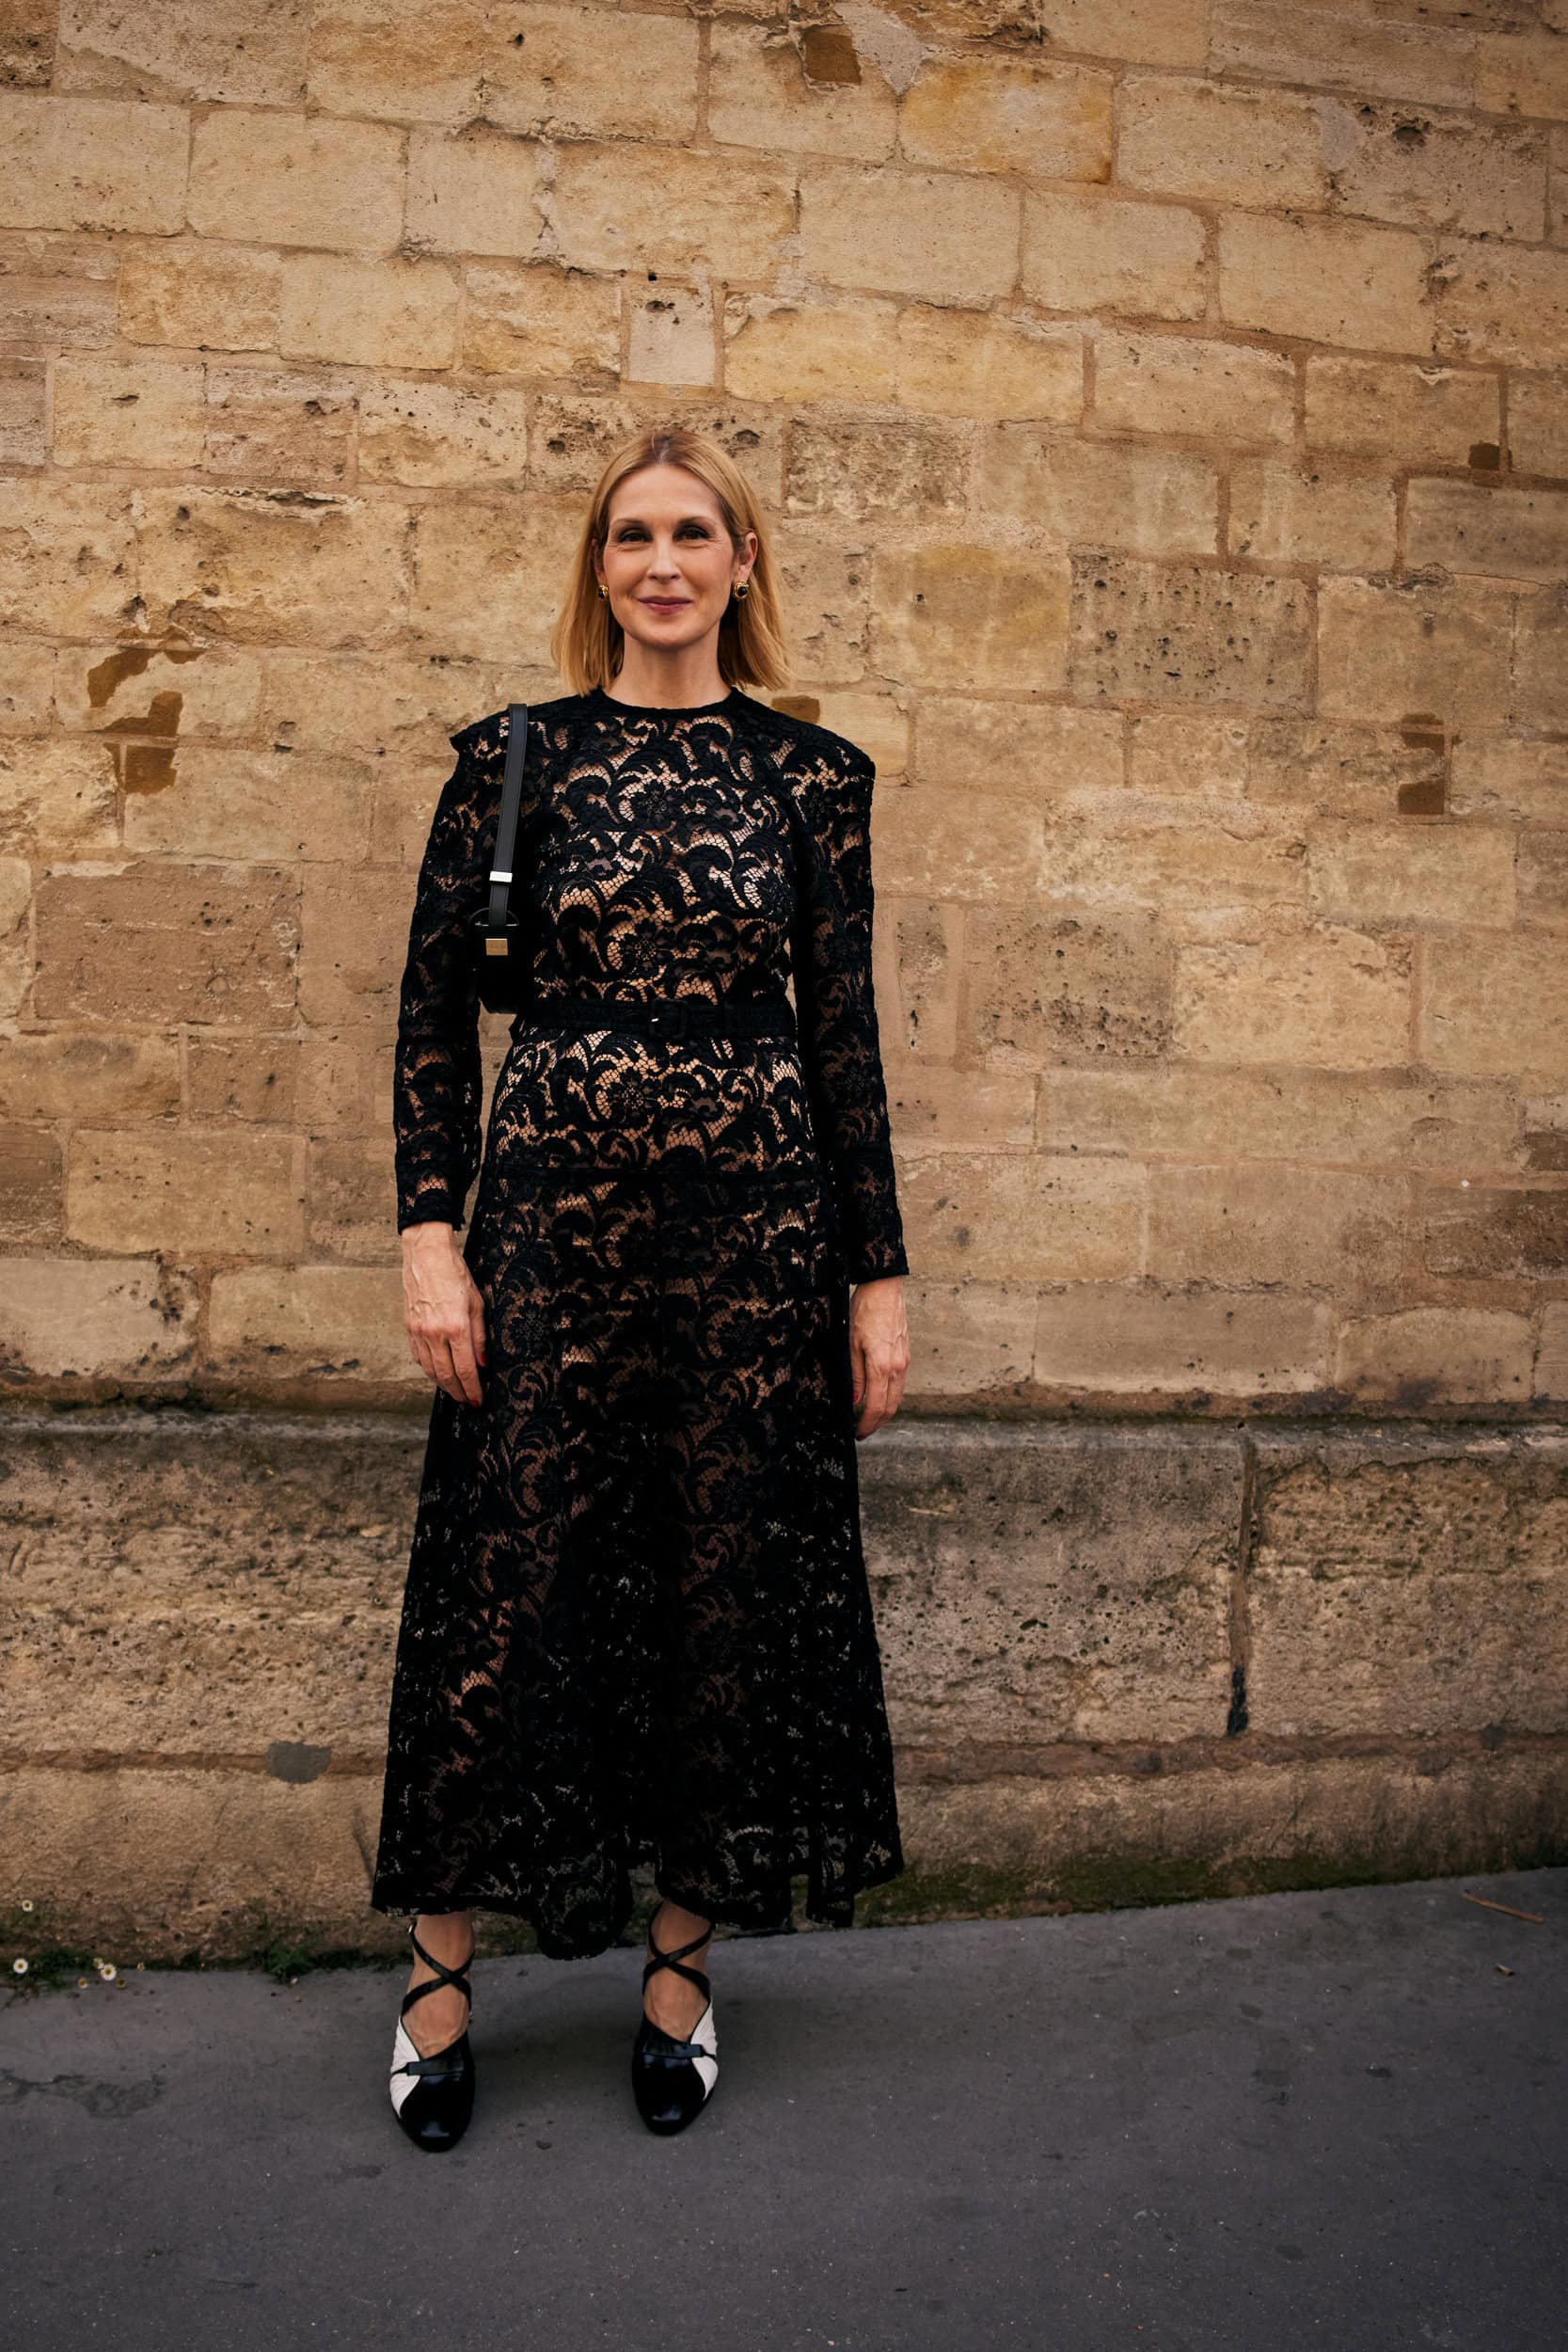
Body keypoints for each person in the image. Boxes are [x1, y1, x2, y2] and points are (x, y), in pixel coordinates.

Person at [370, 422, 911, 2150]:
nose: (660, 563)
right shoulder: (513, 759)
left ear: (743, 565)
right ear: (597, 568)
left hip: (755, 1249)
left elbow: (844, 1042)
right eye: (631, 536)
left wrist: (878, 1279)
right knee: (505, 1586)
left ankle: (681, 1970)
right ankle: (437, 1978)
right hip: (548, 1237)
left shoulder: (812, 778)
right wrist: (431, 1237)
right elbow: (430, 1020)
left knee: (722, 1587)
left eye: (692, 534)